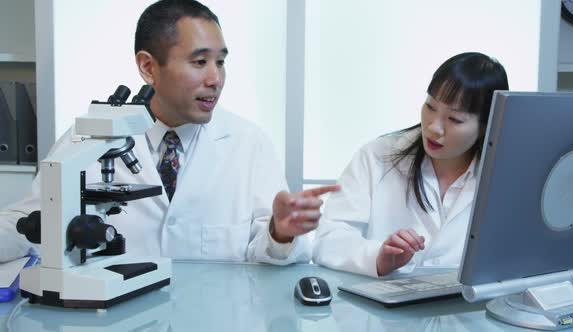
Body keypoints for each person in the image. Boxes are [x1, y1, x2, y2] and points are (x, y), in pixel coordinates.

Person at [0, 0, 338, 264]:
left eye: (220, 62)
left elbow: (268, 254)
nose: (215, 79)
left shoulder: (250, 144)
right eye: (199, 62)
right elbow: (28, 222)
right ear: (148, 67)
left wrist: (280, 233)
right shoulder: (88, 139)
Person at [312, 52, 509, 277]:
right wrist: (378, 257)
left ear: (487, 124)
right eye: (430, 107)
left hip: (468, 310)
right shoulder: (377, 156)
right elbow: (328, 240)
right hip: (379, 310)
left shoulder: (505, 177)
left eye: (455, 119)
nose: (434, 127)